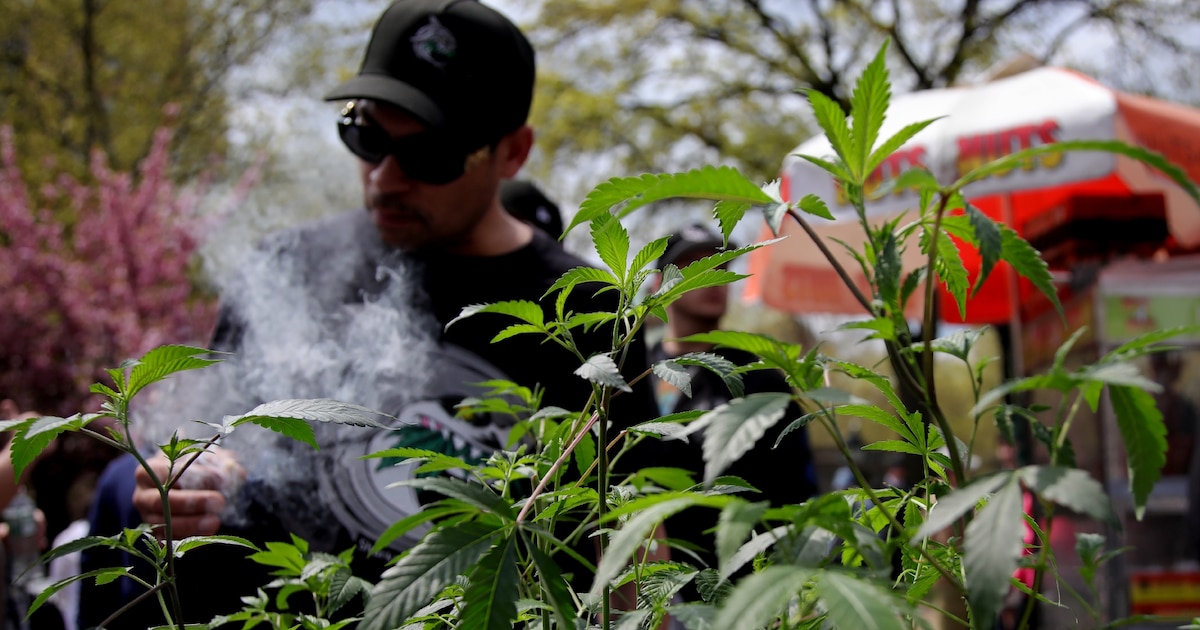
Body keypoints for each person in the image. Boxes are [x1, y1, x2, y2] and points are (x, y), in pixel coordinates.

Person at [77, 1, 657, 627]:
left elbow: (633, 531)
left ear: (513, 152)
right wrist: (190, 481)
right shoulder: (288, 265)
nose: (385, 177)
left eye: (430, 153)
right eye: (366, 134)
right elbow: (218, 443)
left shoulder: (593, 310)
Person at [647, 224, 819, 569]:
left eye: (721, 267)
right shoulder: (629, 370)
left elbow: (796, 487)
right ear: (657, 285)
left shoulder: (757, 378)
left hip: (731, 574)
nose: (713, 277)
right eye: (693, 267)